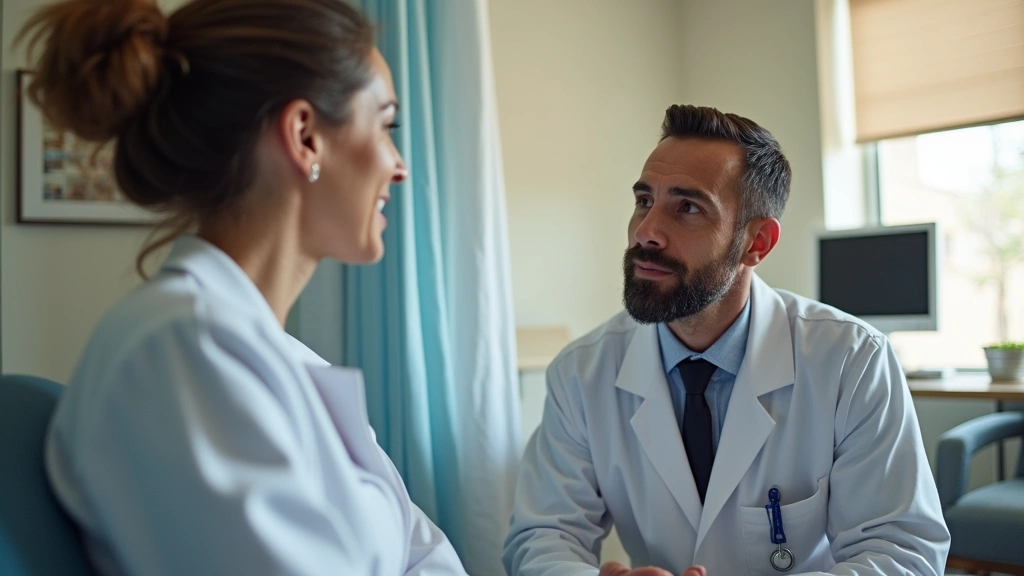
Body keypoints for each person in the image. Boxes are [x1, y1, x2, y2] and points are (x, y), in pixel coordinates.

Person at [21, 0, 469, 573]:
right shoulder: (180, 351)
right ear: (305, 135)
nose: (399, 165)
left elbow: (420, 549)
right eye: (385, 125)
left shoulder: (257, 349)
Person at [503, 105, 950, 576]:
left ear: (756, 243)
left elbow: (902, 553)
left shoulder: (851, 360)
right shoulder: (581, 373)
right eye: (643, 201)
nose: (646, 231)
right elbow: (542, 536)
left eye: (687, 207)